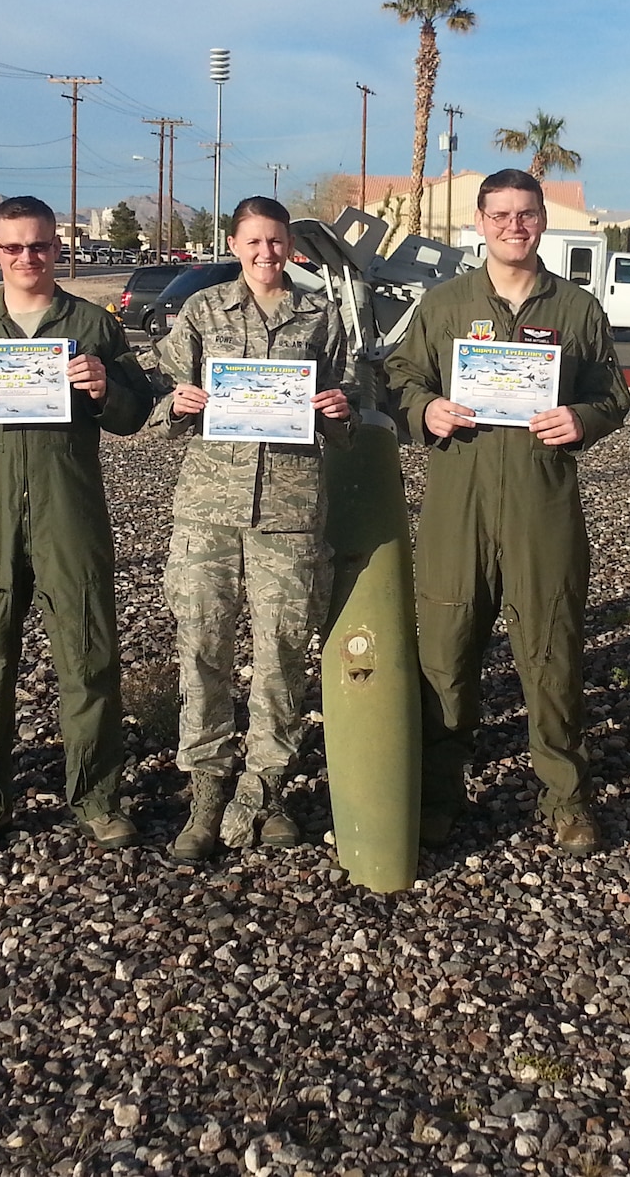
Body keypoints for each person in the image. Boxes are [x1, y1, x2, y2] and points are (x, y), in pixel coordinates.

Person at [385, 168, 630, 855]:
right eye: (500, 216)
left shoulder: (577, 308)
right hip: (457, 500)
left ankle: (565, 796)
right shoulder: (445, 304)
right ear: (480, 222)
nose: (513, 227)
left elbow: (613, 394)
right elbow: (400, 376)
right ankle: (440, 792)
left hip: (541, 500)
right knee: (445, 651)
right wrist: (424, 409)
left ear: (542, 221)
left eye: (526, 215)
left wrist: (582, 418)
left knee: (551, 650)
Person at [0, 196, 155, 858]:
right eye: (13, 247)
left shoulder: (91, 325)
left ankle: (98, 800)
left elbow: (134, 414)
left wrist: (105, 387)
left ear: (58, 249)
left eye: (40, 246)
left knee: (88, 656)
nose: (27, 258)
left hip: (68, 510)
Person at [156, 196, 355, 860]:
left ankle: (269, 785)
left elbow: (360, 395)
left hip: (292, 512)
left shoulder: (319, 316)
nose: (267, 254)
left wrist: (339, 407)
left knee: (283, 652)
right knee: (203, 649)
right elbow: (162, 388)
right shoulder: (204, 312)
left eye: (276, 242)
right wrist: (176, 403)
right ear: (236, 245)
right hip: (208, 510)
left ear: (290, 246)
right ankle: (208, 786)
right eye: (254, 242)